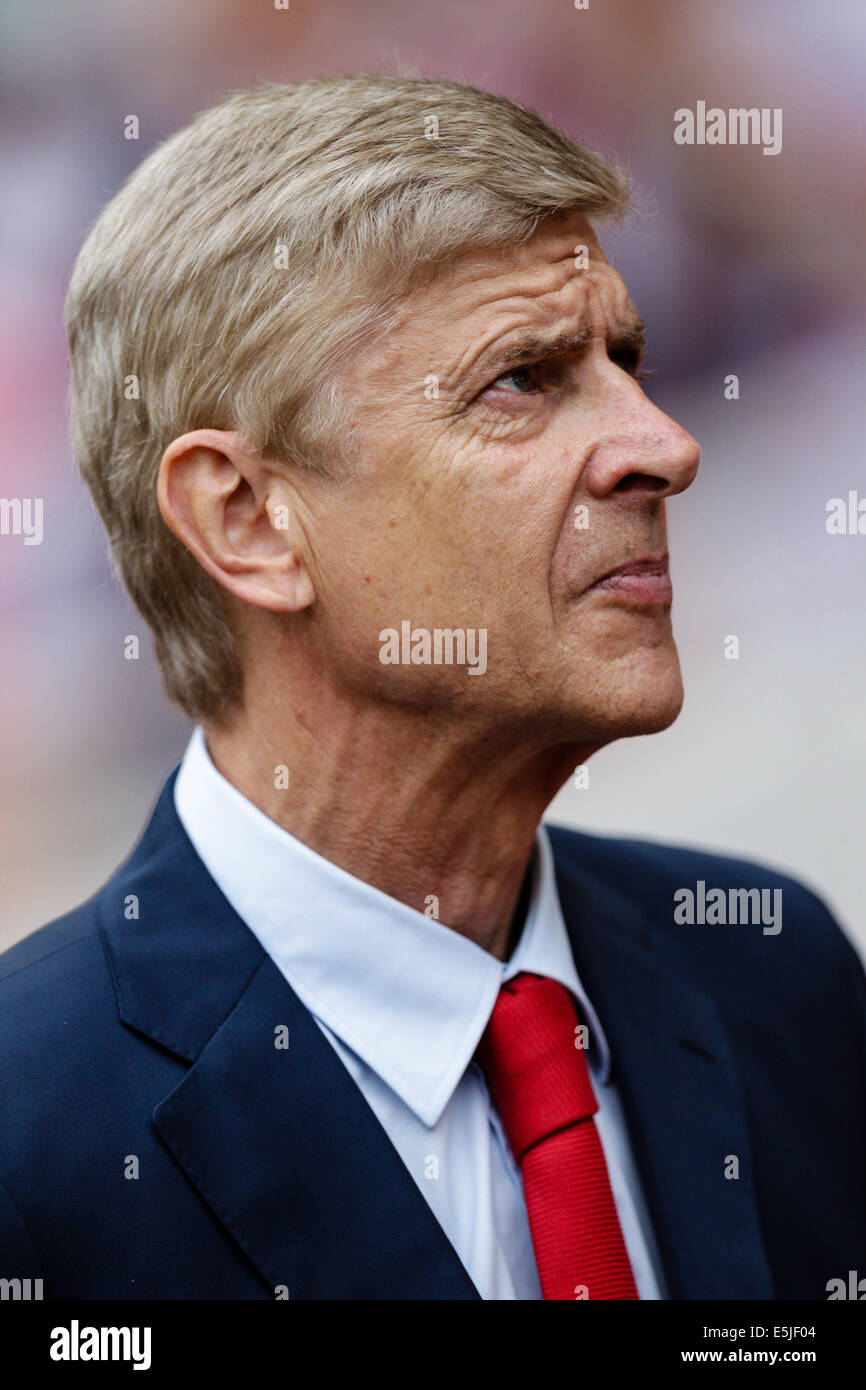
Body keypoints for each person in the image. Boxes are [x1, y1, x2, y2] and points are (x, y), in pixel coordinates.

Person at [1, 76, 863, 1301]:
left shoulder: (776, 972)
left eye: (624, 357)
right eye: (523, 379)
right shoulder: (30, 1140)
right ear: (247, 519)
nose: (663, 445)